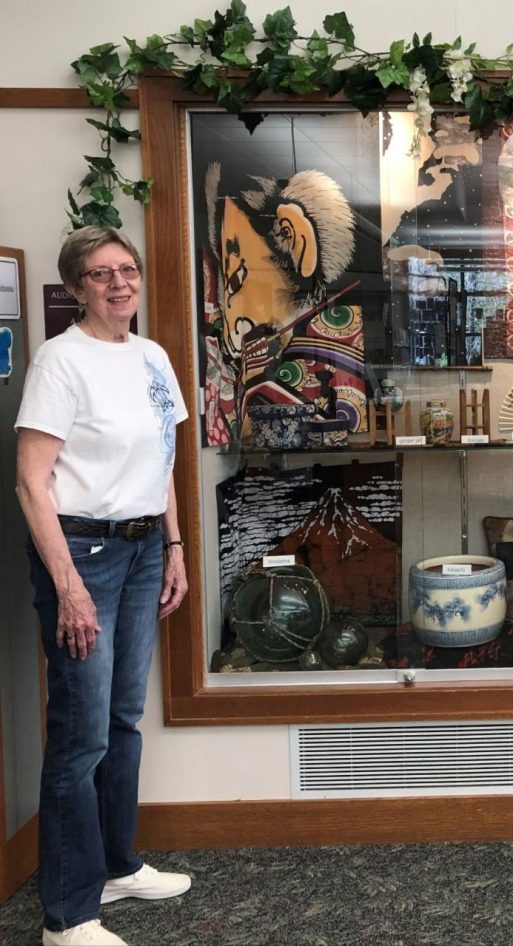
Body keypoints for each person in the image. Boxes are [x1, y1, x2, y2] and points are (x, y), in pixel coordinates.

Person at [15, 227, 192, 946]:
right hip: (82, 553)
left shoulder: (152, 355)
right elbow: (31, 483)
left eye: (127, 270)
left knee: (121, 720)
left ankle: (117, 865)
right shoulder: (60, 362)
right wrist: (70, 588)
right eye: (100, 274)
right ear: (77, 288)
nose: (119, 284)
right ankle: (68, 914)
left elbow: (165, 459)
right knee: (80, 736)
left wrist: (174, 545)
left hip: (145, 546)